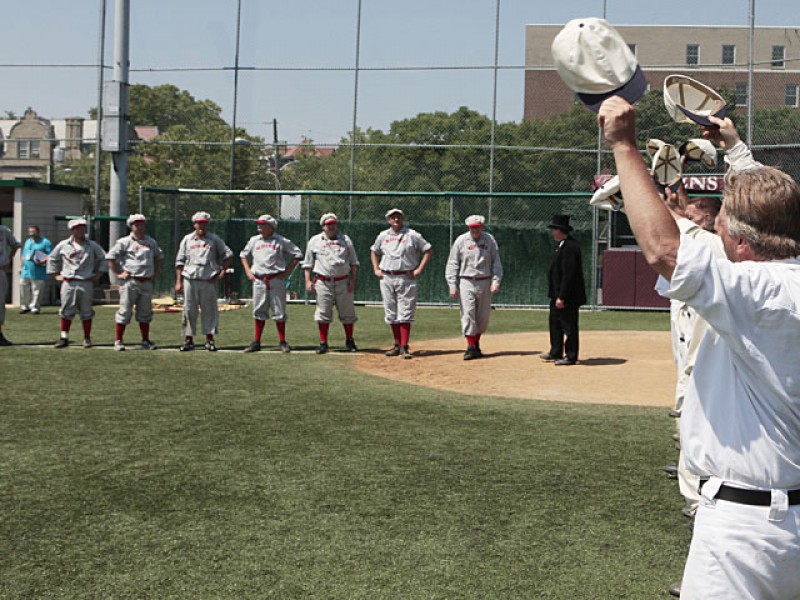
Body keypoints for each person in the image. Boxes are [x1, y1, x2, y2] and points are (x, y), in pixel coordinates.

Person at [599, 96, 800, 598]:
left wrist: (624, 146)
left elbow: (665, 251)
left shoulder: (755, 295)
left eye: (722, 218)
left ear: (740, 245)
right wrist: (736, 150)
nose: (716, 223)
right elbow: (775, 212)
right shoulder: (774, 286)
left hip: (748, 532)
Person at [370, 208, 433, 359]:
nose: (396, 219)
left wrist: (418, 269)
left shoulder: (412, 235)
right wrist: (376, 268)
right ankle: (397, 344)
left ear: (403, 219)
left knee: (405, 312)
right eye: (393, 217)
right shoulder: (383, 235)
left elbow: (428, 250)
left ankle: (405, 346)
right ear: (388, 220)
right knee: (391, 312)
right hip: (387, 276)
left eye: (398, 217)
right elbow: (374, 251)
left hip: (406, 276)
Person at [240, 214, 302, 353]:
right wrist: (248, 271)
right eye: (259, 224)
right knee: (259, 310)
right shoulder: (254, 240)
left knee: (279, 311)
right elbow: (243, 255)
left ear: (271, 227)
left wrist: (286, 273)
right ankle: (256, 341)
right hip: (259, 280)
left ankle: (282, 341)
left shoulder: (281, 241)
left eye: (263, 224)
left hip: (276, 279)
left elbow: (297, 254)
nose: (259, 226)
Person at [445, 215, 503, 360]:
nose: (475, 230)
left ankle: (476, 344)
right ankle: (470, 346)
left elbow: (496, 262)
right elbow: (452, 263)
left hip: (485, 280)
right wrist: (452, 284)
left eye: (477, 227)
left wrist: (496, 281)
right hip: (466, 280)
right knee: (468, 313)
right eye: (472, 227)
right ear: (468, 227)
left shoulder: (489, 240)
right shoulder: (461, 240)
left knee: (483, 317)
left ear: (482, 226)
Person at [175, 211, 233, 352]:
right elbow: (179, 261)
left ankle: (210, 340)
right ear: (194, 224)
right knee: (189, 310)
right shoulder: (187, 240)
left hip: (208, 279)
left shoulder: (214, 239)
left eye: (204, 223)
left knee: (210, 310)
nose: (202, 226)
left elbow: (228, 254)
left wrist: (222, 271)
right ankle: (189, 339)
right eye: (199, 223)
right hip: (190, 278)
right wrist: (178, 281)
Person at [302, 212, 360, 354]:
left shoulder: (346, 240)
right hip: (323, 281)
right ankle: (323, 343)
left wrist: (353, 280)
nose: (332, 227)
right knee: (323, 312)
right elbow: (308, 263)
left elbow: (354, 262)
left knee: (347, 313)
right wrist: (308, 281)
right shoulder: (315, 241)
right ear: (323, 226)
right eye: (329, 225)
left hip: (343, 281)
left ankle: (349, 340)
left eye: (334, 224)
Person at [106, 214, 164, 351]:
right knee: (125, 311)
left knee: (145, 313)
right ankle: (118, 340)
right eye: (136, 224)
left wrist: (155, 273)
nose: (140, 227)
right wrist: (118, 273)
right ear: (131, 226)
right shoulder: (124, 242)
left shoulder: (150, 242)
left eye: (142, 224)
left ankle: (145, 340)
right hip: (130, 281)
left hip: (146, 281)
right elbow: (111, 257)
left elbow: (160, 256)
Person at [47, 218, 107, 349]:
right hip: (69, 281)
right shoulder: (63, 245)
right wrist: (55, 274)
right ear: (72, 230)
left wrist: (98, 275)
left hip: (86, 281)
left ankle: (87, 337)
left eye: (82, 228)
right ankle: (64, 337)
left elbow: (104, 259)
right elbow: (52, 258)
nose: (80, 230)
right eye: (77, 228)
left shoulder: (92, 245)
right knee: (66, 310)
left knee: (86, 311)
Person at [540, 214, 586, 366]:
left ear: (561, 230)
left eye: (554, 229)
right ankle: (556, 350)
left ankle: (571, 355)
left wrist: (562, 296)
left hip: (567, 296)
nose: (553, 232)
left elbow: (569, 274)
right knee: (555, 322)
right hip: (556, 294)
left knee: (569, 325)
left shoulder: (570, 247)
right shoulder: (561, 246)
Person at [19, 225, 52, 315]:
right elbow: (23, 254)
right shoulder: (27, 241)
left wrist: (42, 261)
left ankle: (35, 307)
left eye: (33, 232)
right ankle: (25, 306)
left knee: (37, 289)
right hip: (26, 269)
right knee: (23, 286)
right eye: (30, 232)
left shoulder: (45, 242)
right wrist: (20, 267)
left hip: (38, 269)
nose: (31, 234)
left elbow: (50, 255)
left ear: (38, 231)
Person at [0, 223, 22, 346]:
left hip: (0, 270)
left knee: (0, 303)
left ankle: (0, 334)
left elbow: (16, 245)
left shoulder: (3, 230)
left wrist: (9, 259)